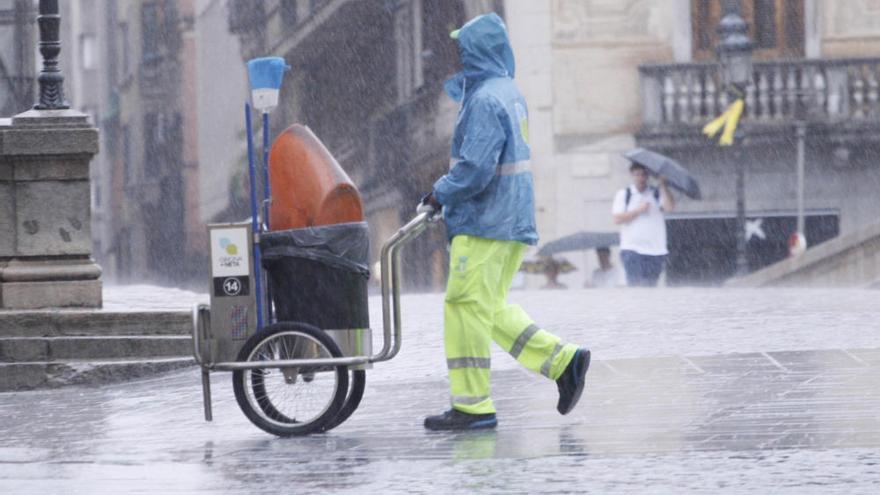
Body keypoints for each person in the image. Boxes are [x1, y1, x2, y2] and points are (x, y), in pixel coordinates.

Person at [418, 13, 590, 431]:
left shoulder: (482, 101)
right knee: (488, 307)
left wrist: (439, 192)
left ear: (476, 52)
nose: (458, 56)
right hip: (509, 221)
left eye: (463, 49)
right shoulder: (507, 92)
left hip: (483, 223)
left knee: (464, 307)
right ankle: (562, 361)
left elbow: (475, 169)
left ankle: (472, 406)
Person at [611, 163, 675, 287]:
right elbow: (617, 219)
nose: (640, 178)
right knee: (635, 286)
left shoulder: (656, 193)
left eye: (644, 175)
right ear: (632, 175)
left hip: (655, 250)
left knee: (650, 287)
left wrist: (663, 186)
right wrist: (638, 211)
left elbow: (670, 207)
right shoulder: (625, 194)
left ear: (648, 176)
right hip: (632, 249)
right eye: (637, 175)